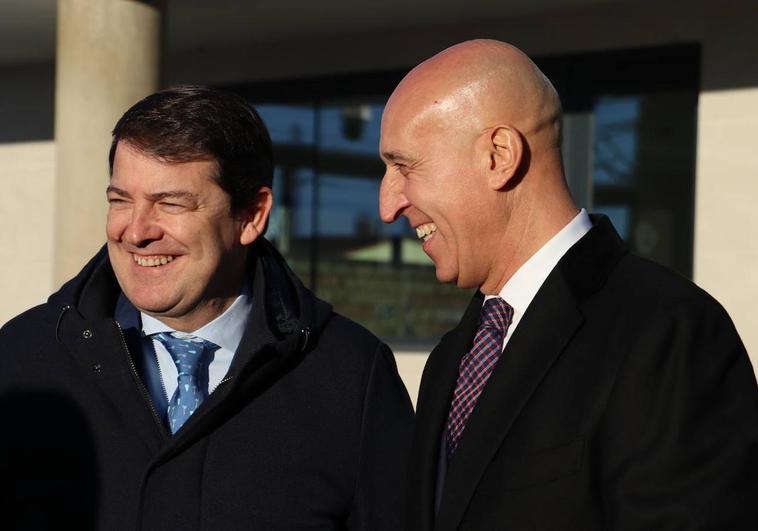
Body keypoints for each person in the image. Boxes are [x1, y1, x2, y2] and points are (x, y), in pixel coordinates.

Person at [379, 40, 758, 530]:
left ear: (499, 155)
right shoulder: (450, 361)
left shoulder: (667, 331)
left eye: (405, 167)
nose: (387, 205)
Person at [0, 85, 413, 530]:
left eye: (170, 203)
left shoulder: (352, 376)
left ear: (252, 215)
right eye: (120, 200)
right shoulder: (25, 357)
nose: (135, 231)